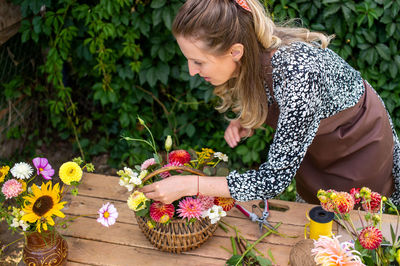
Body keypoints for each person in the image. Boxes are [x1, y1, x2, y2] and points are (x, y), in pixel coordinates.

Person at [140, 0, 400, 205]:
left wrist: (190, 185)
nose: (191, 71)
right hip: (322, 148)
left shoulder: (300, 74)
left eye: (198, 61)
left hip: (357, 150)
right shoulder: (255, 52)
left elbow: (272, 180)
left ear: (235, 52)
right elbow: (281, 100)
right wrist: (249, 119)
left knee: (346, 237)